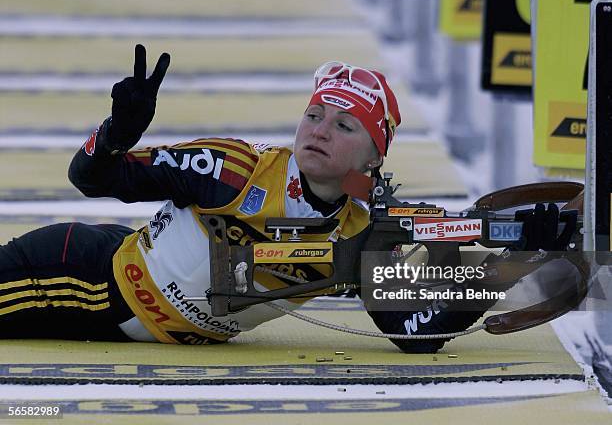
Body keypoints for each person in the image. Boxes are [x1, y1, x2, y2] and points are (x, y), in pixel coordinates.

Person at [0, 45, 571, 352]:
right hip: (86, 278)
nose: (319, 130)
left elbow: (415, 331)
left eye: (345, 126)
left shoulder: (363, 227)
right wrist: (117, 132)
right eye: (315, 114)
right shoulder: (234, 169)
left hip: (147, 334)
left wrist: (513, 264)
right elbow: (93, 177)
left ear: (375, 156)